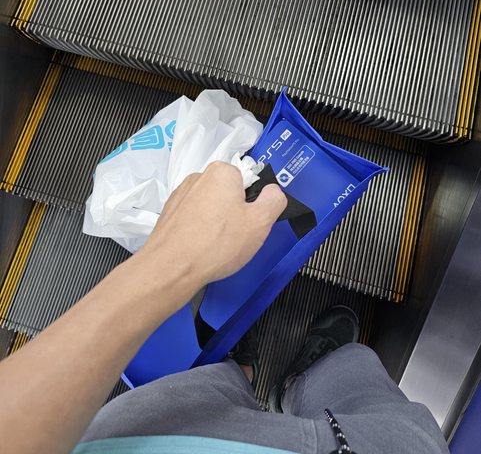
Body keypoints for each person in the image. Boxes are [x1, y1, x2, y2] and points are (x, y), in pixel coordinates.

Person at [0, 162, 449, 454]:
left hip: (156, 442)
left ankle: (241, 375)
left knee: (203, 391)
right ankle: (301, 383)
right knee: (359, 380)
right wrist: (173, 259)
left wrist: (169, 260)